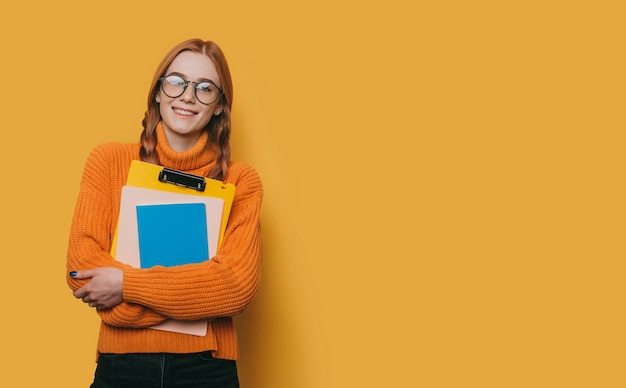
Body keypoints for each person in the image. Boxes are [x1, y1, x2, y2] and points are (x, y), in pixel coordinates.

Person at [66, 38, 263, 388]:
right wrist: (194, 298)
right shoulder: (108, 162)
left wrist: (125, 285)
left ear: (219, 106)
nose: (187, 96)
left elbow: (234, 287)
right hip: (122, 368)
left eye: (205, 88)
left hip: (206, 371)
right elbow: (83, 272)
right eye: (177, 82)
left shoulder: (240, 181)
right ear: (158, 92)